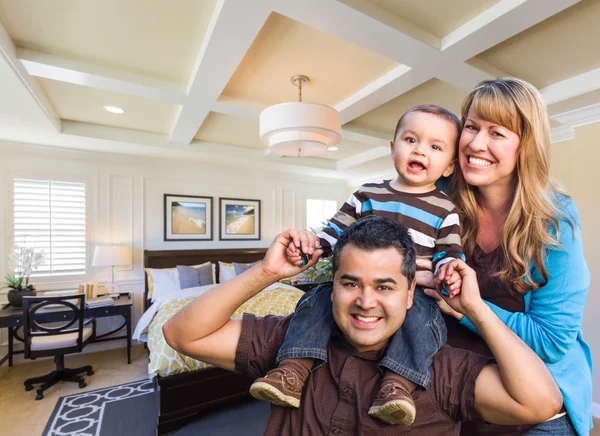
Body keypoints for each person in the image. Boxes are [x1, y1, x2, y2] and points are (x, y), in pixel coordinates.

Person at [162, 216, 563, 435]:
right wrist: (267, 272)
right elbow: (181, 333)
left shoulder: (438, 369)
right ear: (331, 287)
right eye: (350, 283)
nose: (365, 302)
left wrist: (475, 309)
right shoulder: (292, 344)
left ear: (410, 294)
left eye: (384, 287)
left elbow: (541, 402)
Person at [250, 104, 465, 426]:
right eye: (410, 140)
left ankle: (397, 386)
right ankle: (292, 370)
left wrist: (448, 269)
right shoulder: (367, 194)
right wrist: (312, 246)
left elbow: (450, 252)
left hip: (412, 290)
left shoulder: (445, 209)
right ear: (392, 148)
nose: (420, 150)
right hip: (359, 282)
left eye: (435, 147)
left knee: (424, 319)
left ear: (449, 166)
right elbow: (334, 233)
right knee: (315, 300)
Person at [422, 78, 592, 436]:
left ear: (525, 145)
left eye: (497, 133)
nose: (476, 143)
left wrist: (468, 309)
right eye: (471, 127)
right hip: (457, 387)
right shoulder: (437, 196)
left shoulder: (554, 219)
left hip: (536, 401)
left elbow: (551, 341)